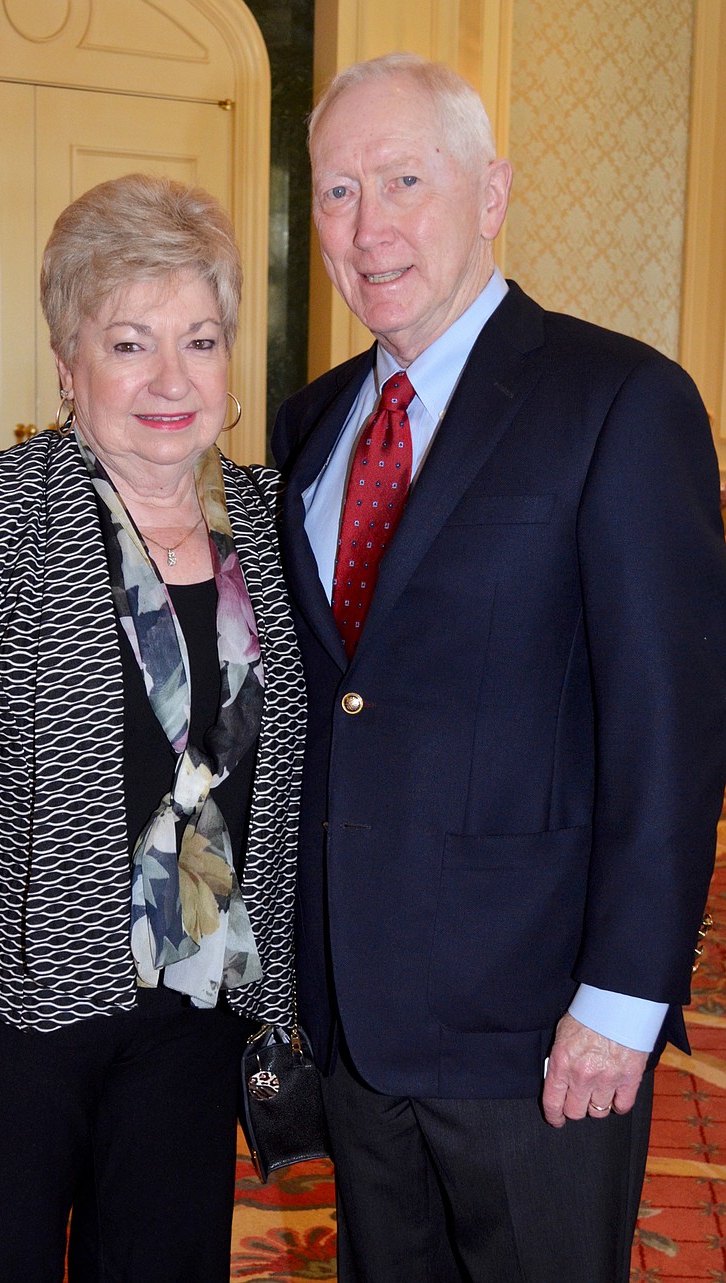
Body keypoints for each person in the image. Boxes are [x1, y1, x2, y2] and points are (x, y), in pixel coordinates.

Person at [271, 52, 726, 1283]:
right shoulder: (310, 426)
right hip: (356, 1016)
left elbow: (670, 734)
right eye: (335, 192)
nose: (367, 228)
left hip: (538, 1035)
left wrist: (622, 1001)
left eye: (404, 179)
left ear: (490, 192)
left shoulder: (620, 400)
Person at [0, 172, 304, 1282]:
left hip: (198, 1012)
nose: (171, 379)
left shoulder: (267, 517)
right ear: (67, 365)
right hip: (16, 1022)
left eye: (200, 341)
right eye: (130, 343)